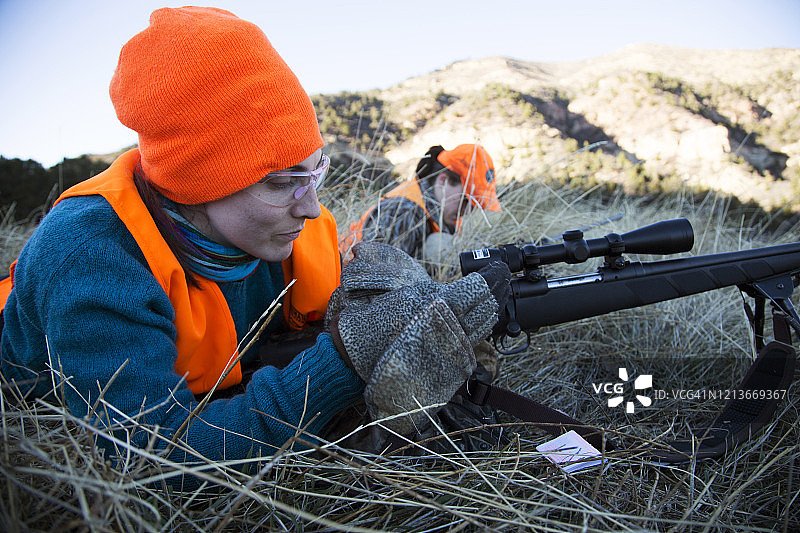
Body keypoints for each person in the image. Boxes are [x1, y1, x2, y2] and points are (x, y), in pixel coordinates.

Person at [0, 7, 509, 476]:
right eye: (280, 182)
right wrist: (342, 364)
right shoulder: (91, 255)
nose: (311, 208)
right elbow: (151, 461)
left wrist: (407, 317)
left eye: (316, 173)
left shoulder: (281, 231)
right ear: (199, 183)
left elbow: (318, 338)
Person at [341, 144, 502, 263]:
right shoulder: (403, 212)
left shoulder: (442, 216)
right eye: (467, 201)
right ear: (443, 180)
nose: (468, 211)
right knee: (437, 245)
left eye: (476, 206)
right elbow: (376, 284)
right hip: (343, 299)